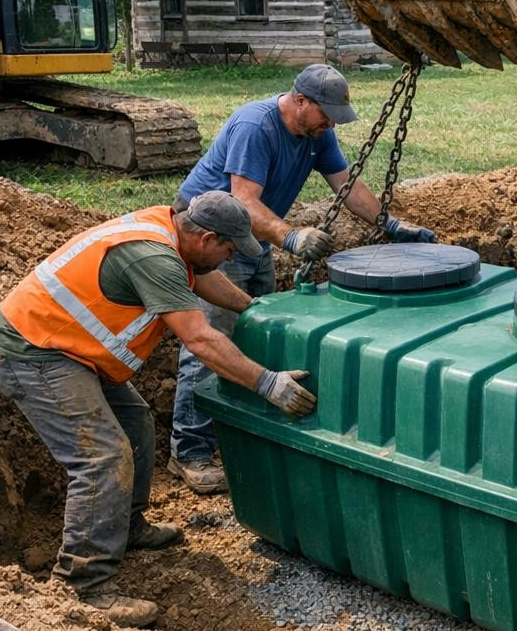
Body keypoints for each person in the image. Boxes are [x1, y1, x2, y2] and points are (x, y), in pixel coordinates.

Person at [0, 192, 317, 627]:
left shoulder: (173, 233)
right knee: (102, 457)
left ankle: (125, 525)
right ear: (208, 237)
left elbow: (200, 279)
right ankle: (82, 586)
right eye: (229, 250)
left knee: (136, 423)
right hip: (34, 353)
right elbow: (199, 340)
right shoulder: (153, 256)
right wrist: (266, 383)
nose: (229, 258)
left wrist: (253, 308)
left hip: (68, 351)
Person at [165, 63, 437, 493]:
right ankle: (190, 450)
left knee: (258, 330)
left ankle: (243, 431)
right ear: (300, 101)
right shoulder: (256, 125)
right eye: (325, 113)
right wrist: (290, 235)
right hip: (211, 239)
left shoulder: (317, 133)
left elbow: (346, 185)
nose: (330, 123)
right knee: (210, 339)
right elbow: (244, 202)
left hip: (252, 240)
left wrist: (393, 224)